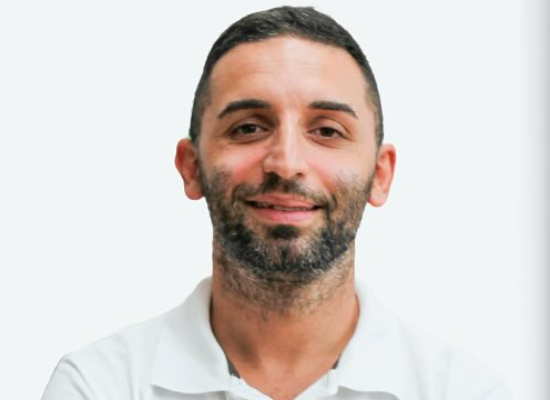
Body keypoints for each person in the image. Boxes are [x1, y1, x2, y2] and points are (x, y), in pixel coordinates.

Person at [42, 6, 512, 400]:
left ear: (381, 174)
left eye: (327, 130)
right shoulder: (99, 385)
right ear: (191, 166)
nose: (286, 163)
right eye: (248, 127)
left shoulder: (465, 390)